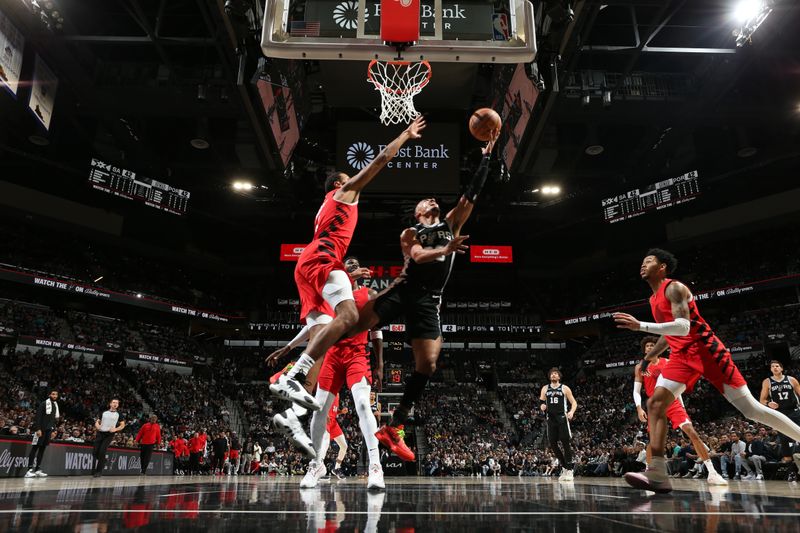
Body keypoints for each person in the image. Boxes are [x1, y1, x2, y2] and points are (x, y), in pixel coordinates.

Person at [331, 133, 500, 462]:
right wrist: (446, 249)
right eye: (425, 201)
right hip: (404, 290)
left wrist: (486, 160)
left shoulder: (451, 223)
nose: (431, 201)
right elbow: (420, 256)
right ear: (419, 212)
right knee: (350, 325)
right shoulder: (411, 233)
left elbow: (471, 195)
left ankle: (394, 427)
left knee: (429, 364)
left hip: (429, 300)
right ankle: (303, 364)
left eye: (434, 200)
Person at [269, 117, 426, 412]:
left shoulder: (325, 205)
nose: (355, 177)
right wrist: (405, 135)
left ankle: (294, 400)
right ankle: (292, 376)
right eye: (349, 175)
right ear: (340, 183)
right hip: (323, 258)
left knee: (321, 334)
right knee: (350, 316)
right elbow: (380, 160)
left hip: (307, 264)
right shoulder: (344, 194)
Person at [615, 248, 800, 493]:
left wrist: (641, 326)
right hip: (681, 356)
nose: (643, 264)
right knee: (655, 404)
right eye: (642, 260)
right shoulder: (652, 299)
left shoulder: (674, 288)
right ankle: (658, 471)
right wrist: (650, 357)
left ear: (662, 267)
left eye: (649, 261)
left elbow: (682, 326)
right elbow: (669, 334)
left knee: (752, 410)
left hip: (707, 352)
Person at [273, 257, 387, 489]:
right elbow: (312, 326)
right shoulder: (329, 296)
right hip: (332, 356)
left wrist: (380, 364)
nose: (353, 265)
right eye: (348, 264)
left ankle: (376, 466)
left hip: (357, 355)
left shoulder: (369, 294)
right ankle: (316, 464)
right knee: (319, 410)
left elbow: (376, 331)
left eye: (356, 263)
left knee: (364, 405)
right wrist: (290, 346)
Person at [633, 336, 727, 485]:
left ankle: (712, 472)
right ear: (644, 350)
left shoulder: (668, 363)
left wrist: (682, 407)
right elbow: (636, 391)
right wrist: (639, 408)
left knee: (692, 432)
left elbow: (676, 385)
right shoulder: (640, 367)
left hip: (673, 401)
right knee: (654, 442)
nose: (650, 348)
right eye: (648, 346)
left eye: (653, 345)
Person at [760, 359, 800, 473]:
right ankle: (790, 467)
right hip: (780, 413)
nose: (775, 368)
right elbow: (762, 400)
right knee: (784, 439)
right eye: (772, 366)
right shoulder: (767, 382)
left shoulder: (791, 380)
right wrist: (769, 403)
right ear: (771, 369)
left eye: (777, 366)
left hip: (794, 411)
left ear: (781, 368)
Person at [539, 368, 577, 481]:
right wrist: (542, 406)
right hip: (550, 419)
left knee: (565, 443)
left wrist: (571, 412)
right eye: (551, 374)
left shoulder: (564, 388)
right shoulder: (545, 388)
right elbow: (541, 401)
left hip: (562, 418)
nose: (553, 375)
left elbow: (574, 402)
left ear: (559, 377)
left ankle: (569, 470)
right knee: (553, 444)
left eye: (555, 374)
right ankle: (565, 467)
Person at [25, 389, 61, 478]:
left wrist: (54, 430)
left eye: (56, 394)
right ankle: (29, 470)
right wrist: (38, 429)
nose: (55, 396)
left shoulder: (55, 405)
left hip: (49, 430)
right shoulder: (44, 404)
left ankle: (37, 469)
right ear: (49, 395)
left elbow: (53, 420)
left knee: (42, 449)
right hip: (41, 430)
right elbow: (38, 417)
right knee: (35, 448)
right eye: (53, 394)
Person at [92, 399, 125, 478]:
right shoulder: (104, 412)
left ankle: (98, 471)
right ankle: (103, 461)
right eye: (114, 402)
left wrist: (116, 429)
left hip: (109, 434)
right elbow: (97, 421)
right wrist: (97, 426)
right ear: (110, 404)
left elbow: (122, 425)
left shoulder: (119, 414)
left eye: (117, 403)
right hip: (100, 433)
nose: (115, 404)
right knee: (95, 452)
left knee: (102, 452)